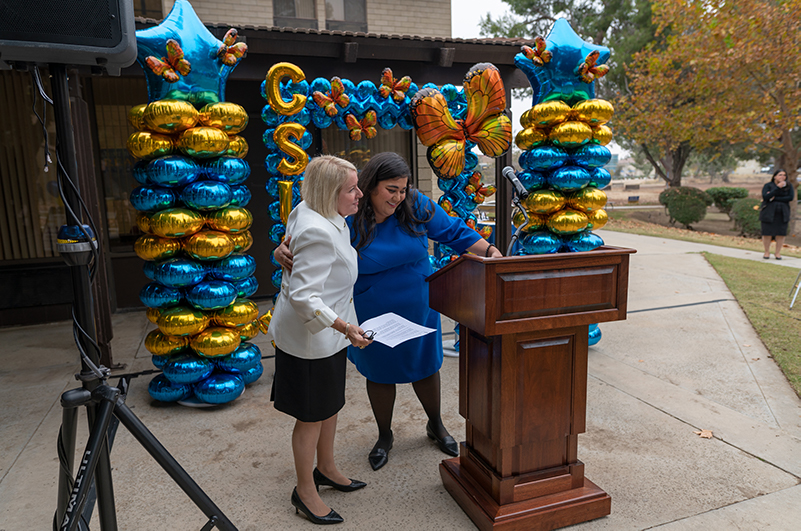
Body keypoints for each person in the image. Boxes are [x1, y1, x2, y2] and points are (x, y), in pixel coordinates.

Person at [275, 152, 502, 472]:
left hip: (417, 303)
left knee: (425, 367)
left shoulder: (416, 204)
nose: (398, 197)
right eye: (390, 189)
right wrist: (283, 246)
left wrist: (491, 252)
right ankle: (384, 436)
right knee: (379, 373)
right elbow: (309, 231)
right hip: (370, 308)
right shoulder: (349, 215)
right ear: (369, 187)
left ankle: (435, 425)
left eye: (403, 189)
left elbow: (454, 232)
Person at [267, 155, 373, 525]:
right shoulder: (316, 228)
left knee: (330, 404)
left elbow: (291, 245)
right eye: (352, 189)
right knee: (310, 416)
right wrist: (344, 327)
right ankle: (304, 490)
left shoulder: (318, 212)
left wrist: (282, 249)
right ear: (330, 193)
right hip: (310, 340)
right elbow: (303, 296)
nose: (360, 194)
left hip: (330, 335)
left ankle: (326, 468)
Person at [760, 169, 793, 260]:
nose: (783, 177)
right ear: (774, 176)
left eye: (784, 175)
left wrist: (774, 198)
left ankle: (777, 253)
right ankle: (766, 252)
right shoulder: (768, 185)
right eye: (780, 175)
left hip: (783, 213)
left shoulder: (789, 186)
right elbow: (766, 197)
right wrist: (777, 188)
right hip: (768, 212)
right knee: (767, 232)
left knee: (781, 233)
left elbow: (790, 197)